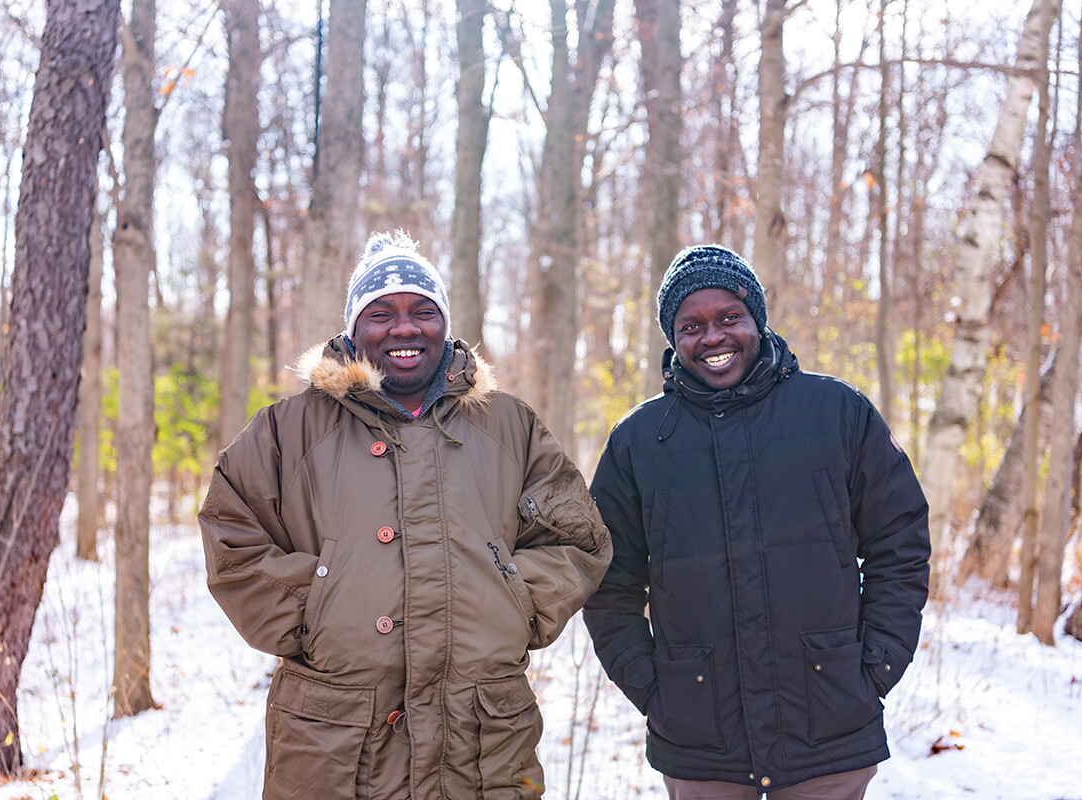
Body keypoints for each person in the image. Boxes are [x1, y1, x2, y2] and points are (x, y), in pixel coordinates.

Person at [199, 230, 612, 800]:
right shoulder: (288, 430)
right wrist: (315, 607)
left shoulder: (508, 425)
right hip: (335, 745)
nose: (404, 328)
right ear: (353, 328)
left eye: (423, 311)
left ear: (445, 324)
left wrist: (514, 600)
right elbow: (231, 533)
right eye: (381, 314)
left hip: (480, 737)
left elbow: (576, 536)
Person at [582, 245, 930, 800]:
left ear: (757, 321)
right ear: (673, 338)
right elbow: (606, 580)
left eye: (729, 318)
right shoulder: (639, 441)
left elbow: (900, 544)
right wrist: (656, 690)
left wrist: (874, 668)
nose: (713, 337)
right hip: (702, 738)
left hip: (830, 726)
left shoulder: (837, 412)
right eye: (691, 325)